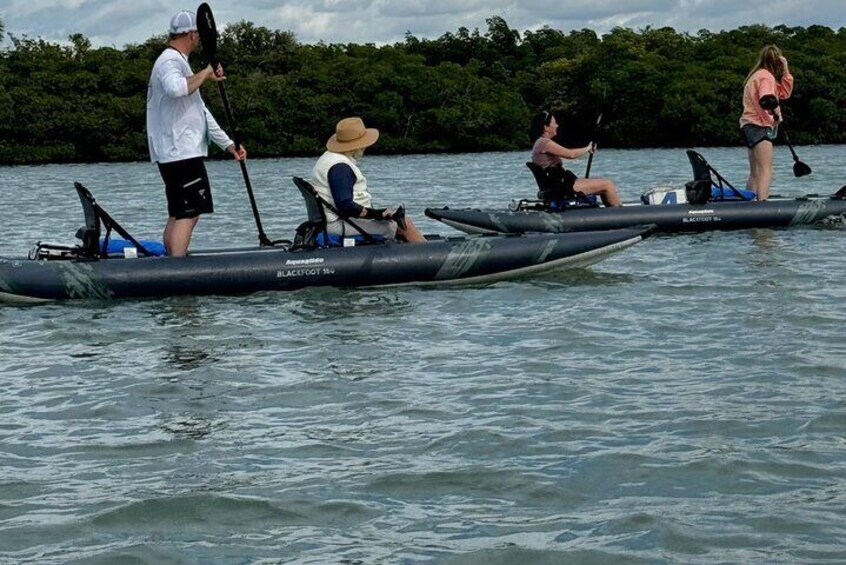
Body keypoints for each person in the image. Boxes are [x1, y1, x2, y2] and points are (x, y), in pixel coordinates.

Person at [146, 10, 247, 257]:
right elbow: (176, 89)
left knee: (180, 212)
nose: (201, 40)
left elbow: (200, 111)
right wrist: (206, 73)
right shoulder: (170, 61)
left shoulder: (179, 61)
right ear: (192, 35)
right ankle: (177, 268)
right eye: (199, 35)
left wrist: (228, 144)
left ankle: (172, 260)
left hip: (175, 151)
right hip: (180, 152)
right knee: (189, 213)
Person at [310, 117, 426, 243]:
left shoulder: (328, 158)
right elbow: (345, 206)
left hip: (335, 221)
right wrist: (377, 215)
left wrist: (380, 214)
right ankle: (430, 256)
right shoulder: (340, 168)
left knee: (398, 222)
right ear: (355, 146)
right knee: (404, 225)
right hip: (339, 225)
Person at [530, 110, 622, 207]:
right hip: (562, 188)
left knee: (601, 185)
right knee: (608, 184)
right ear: (545, 127)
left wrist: (587, 149)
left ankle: (611, 211)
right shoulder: (544, 143)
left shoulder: (539, 143)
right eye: (554, 123)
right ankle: (621, 213)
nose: (557, 125)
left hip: (558, 186)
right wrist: (588, 148)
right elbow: (570, 154)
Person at [739, 45, 793, 201]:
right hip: (758, 126)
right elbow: (767, 98)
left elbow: (783, 93)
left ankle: (749, 201)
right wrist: (777, 113)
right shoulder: (766, 77)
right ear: (777, 62)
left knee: (755, 171)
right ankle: (762, 202)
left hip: (748, 126)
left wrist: (786, 73)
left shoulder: (756, 76)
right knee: (766, 170)